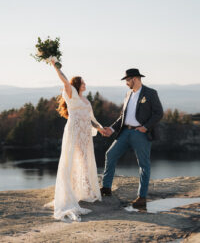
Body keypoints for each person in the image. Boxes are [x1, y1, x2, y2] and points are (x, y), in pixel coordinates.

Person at [46, 60, 106, 222]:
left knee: (85, 161)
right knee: (71, 160)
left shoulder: (86, 100)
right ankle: (69, 192)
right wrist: (54, 64)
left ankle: (85, 191)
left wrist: (101, 129)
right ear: (78, 84)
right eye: (83, 82)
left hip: (85, 135)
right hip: (74, 132)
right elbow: (64, 80)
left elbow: (92, 118)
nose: (85, 84)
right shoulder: (71, 94)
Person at [101, 68, 163, 208]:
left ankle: (142, 198)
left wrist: (146, 127)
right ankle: (106, 188)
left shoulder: (151, 93)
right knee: (110, 154)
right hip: (125, 132)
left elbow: (159, 113)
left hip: (140, 133)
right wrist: (111, 129)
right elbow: (123, 116)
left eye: (128, 80)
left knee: (144, 165)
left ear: (135, 79)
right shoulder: (128, 94)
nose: (126, 83)